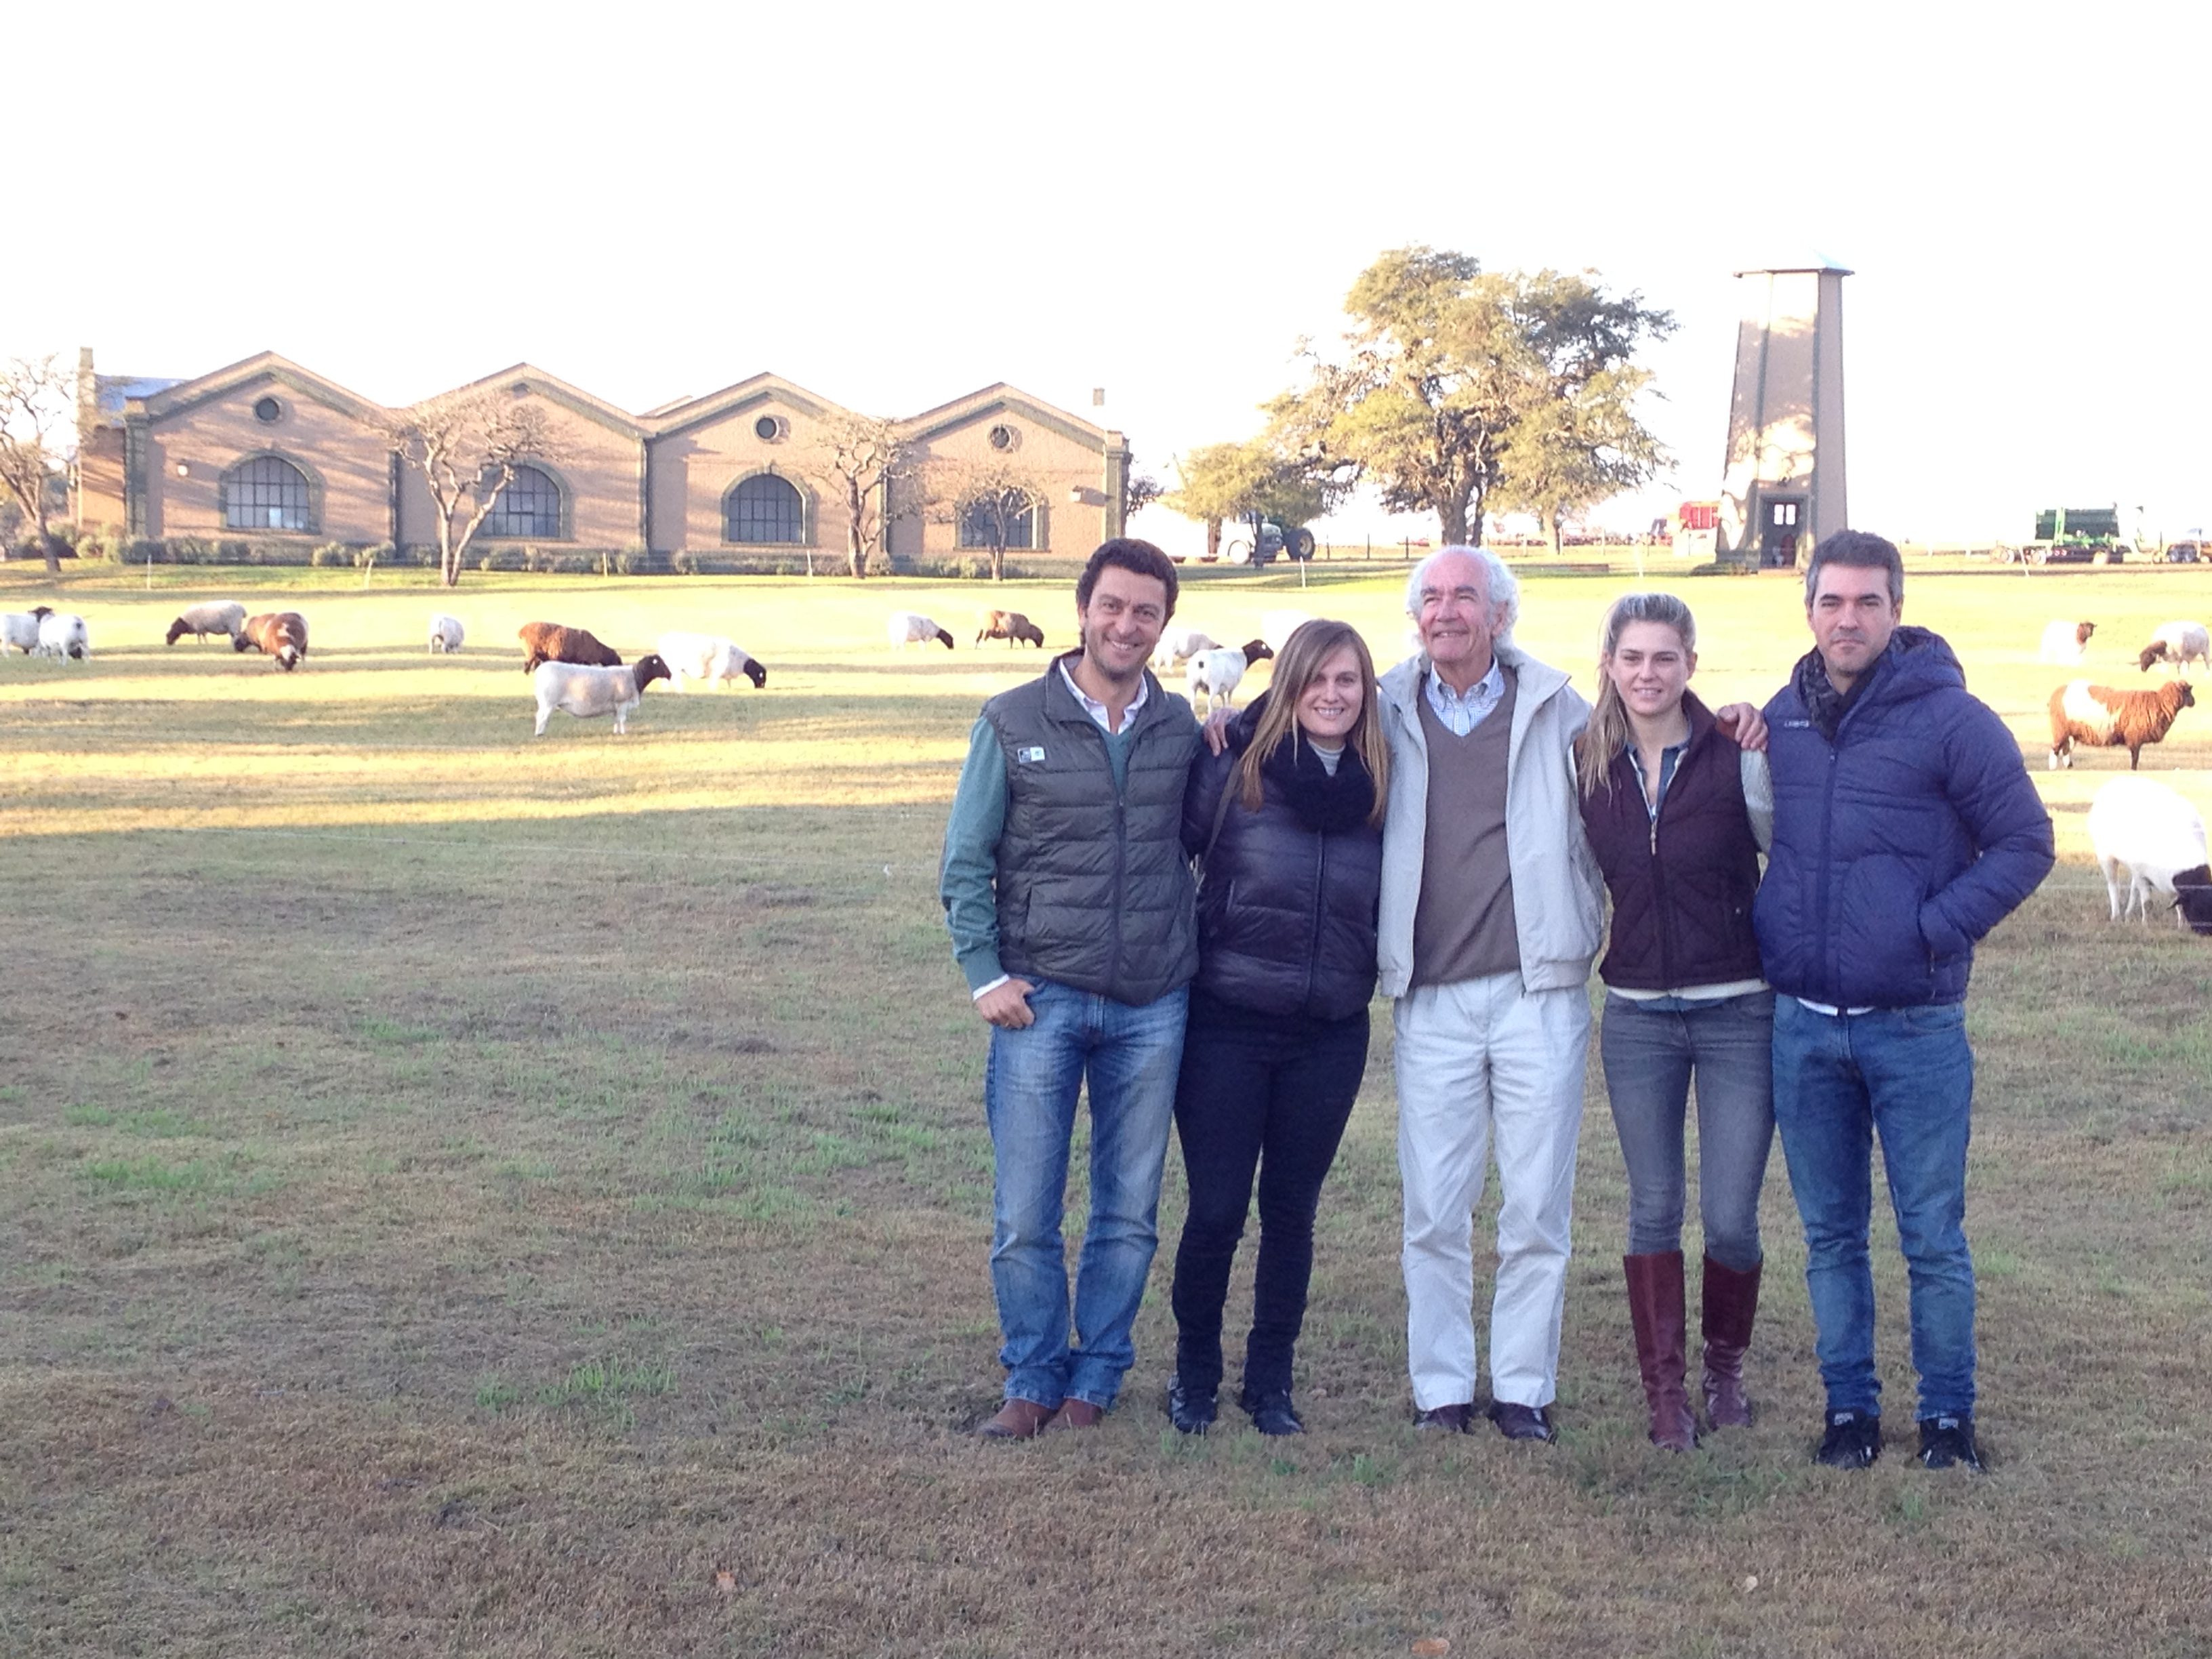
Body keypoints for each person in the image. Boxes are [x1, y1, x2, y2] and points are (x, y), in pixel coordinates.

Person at [1757, 530, 2053, 1472]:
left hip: (1915, 1027)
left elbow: (2025, 843)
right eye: (1832, 602)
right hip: (1804, 1026)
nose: (1849, 619)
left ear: (1897, 609)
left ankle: (1947, 1420)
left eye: (1868, 603)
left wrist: (1930, 929)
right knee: (1830, 1235)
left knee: (1931, 1235)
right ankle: (1850, 1412)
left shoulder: (1952, 720)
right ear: (1809, 608)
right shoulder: (1785, 717)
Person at [939, 538, 1199, 1438]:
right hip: (1039, 996)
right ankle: (1033, 1376)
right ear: (1083, 609)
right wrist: (984, 975)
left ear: (1164, 625)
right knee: (1025, 1212)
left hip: (1152, 1002)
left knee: (1128, 1212)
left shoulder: (1182, 729)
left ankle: (1096, 1378)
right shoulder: (1013, 719)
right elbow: (966, 859)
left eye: (1146, 612)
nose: (1127, 625)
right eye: (1114, 606)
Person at [1372, 545, 1607, 1441]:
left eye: (1465, 597)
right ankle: (1440, 1390)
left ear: (1500, 615)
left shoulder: (1556, 708)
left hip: (1536, 994)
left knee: (1537, 1207)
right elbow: (1296, 737)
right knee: (1433, 1206)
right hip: (1430, 997)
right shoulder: (1384, 707)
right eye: (1430, 598)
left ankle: (1521, 1390)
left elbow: (1638, 764)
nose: (1446, 612)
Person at [1166, 620, 1389, 1437]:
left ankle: (1271, 1381)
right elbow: (1168, 851)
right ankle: (1193, 1373)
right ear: (1287, 683)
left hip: (1329, 1031)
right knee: (1219, 1210)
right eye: (1316, 680)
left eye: (1349, 681)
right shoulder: (1233, 760)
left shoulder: (1384, 779)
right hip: (1227, 1021)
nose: (1332, 695)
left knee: (1292, 1211)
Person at [1573, 593, 1775, 1452]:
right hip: (1639, 1019)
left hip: (1737, 1011)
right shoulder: (1585, 762)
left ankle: (1724, 1370)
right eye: (1632, 658)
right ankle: (1665, 1395)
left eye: (1664, 658)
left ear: (1691, 662)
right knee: (1653, 1207)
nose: (1647, 674)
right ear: (1610, 665)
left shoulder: (1737, 753)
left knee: (1731, 1215)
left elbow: (1788, 852)